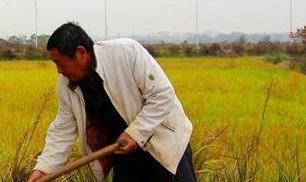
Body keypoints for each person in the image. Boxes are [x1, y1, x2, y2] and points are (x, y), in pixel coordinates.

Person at [28, 22, 196, 182]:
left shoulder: (125, 53)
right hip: (124, 154)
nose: (59, 70)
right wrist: (44, 169)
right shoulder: (67, 86)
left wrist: (135, 134)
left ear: (81, 52)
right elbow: (62, 130)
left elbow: (162, 95)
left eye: (59, 62)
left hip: (163, 144)